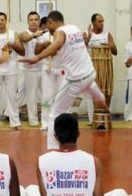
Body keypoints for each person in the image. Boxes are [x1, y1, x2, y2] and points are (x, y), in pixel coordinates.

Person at [26, 113, 127, 196]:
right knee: (121, 194)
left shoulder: (42, 161)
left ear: (55, 137)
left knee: (29, 190)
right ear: (79, 134)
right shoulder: (93, 161)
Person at [20, 11, 108, 150]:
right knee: (92, 90)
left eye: (47, 24)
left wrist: (37, 58)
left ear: (50, 22)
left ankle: (52, 148)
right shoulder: (75, 28)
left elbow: (59, 42)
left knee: (54, 113)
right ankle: (101, 99)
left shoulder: (59, 32)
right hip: (90, 73)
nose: (47, 28)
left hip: (76, 80)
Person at [0, 12, 23, 129]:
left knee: (12, 96)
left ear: (6, 21)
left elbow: (22, 51)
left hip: (11, 68)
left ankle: (15, 122)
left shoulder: (13, 34)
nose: (0, 22)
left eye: (2, 20)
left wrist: (13, 45)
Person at [83, 13, 118, 122]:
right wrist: (88, 38)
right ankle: (92, 119)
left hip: (105, 67)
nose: (102, 24)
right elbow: (81, 50)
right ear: (93, 22)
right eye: (99, 21)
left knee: (106, 92)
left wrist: (110, 44)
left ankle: (105, 117)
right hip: (90, 67)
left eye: (103, 21)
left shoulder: (107, 34)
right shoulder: (86, 33)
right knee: (91, 93)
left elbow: (115, 52)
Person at [16, 11, 44, 127]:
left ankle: (47, 119)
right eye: (31, 19)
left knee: (46, 95)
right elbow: (24, 38)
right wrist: (35, 35)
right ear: (28, 21)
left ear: (39, 21)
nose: (33, 21)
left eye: (36, 19)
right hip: (29, 69)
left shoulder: (44, 33)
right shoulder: (24, 33)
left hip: (43, 68)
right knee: (31, 97)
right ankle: (33, 121)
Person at [36, 16, 64, 131]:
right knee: (47, 97)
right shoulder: (43, 35)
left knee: (62, 95)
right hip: (48, 68)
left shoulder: (63, 34)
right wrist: (44, 45)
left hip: (62, 69)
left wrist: (54, 47)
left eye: (51, 24)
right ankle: (46, 122)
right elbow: (36, 51)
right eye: (48, 24)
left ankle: (61, 122)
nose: (49, 26)